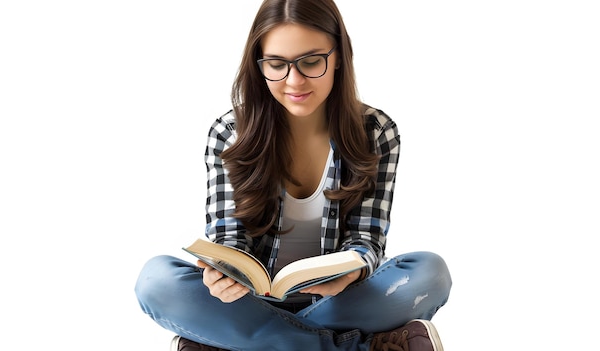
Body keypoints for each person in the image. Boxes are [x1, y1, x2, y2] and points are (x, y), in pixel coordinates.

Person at [134, 0, 452, 350]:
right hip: (250, 303)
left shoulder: (376, 131)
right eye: (276, 64)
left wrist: (353, 271)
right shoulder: (229, 132)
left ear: (339, 57)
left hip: (340, 301)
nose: (294, 80)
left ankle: (240, 341)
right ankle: (354, 346)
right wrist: (223, 273)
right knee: (156, 282)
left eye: (312, 61)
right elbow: (228, 236)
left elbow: (367, 238)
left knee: (429, 272)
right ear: (259, 66)